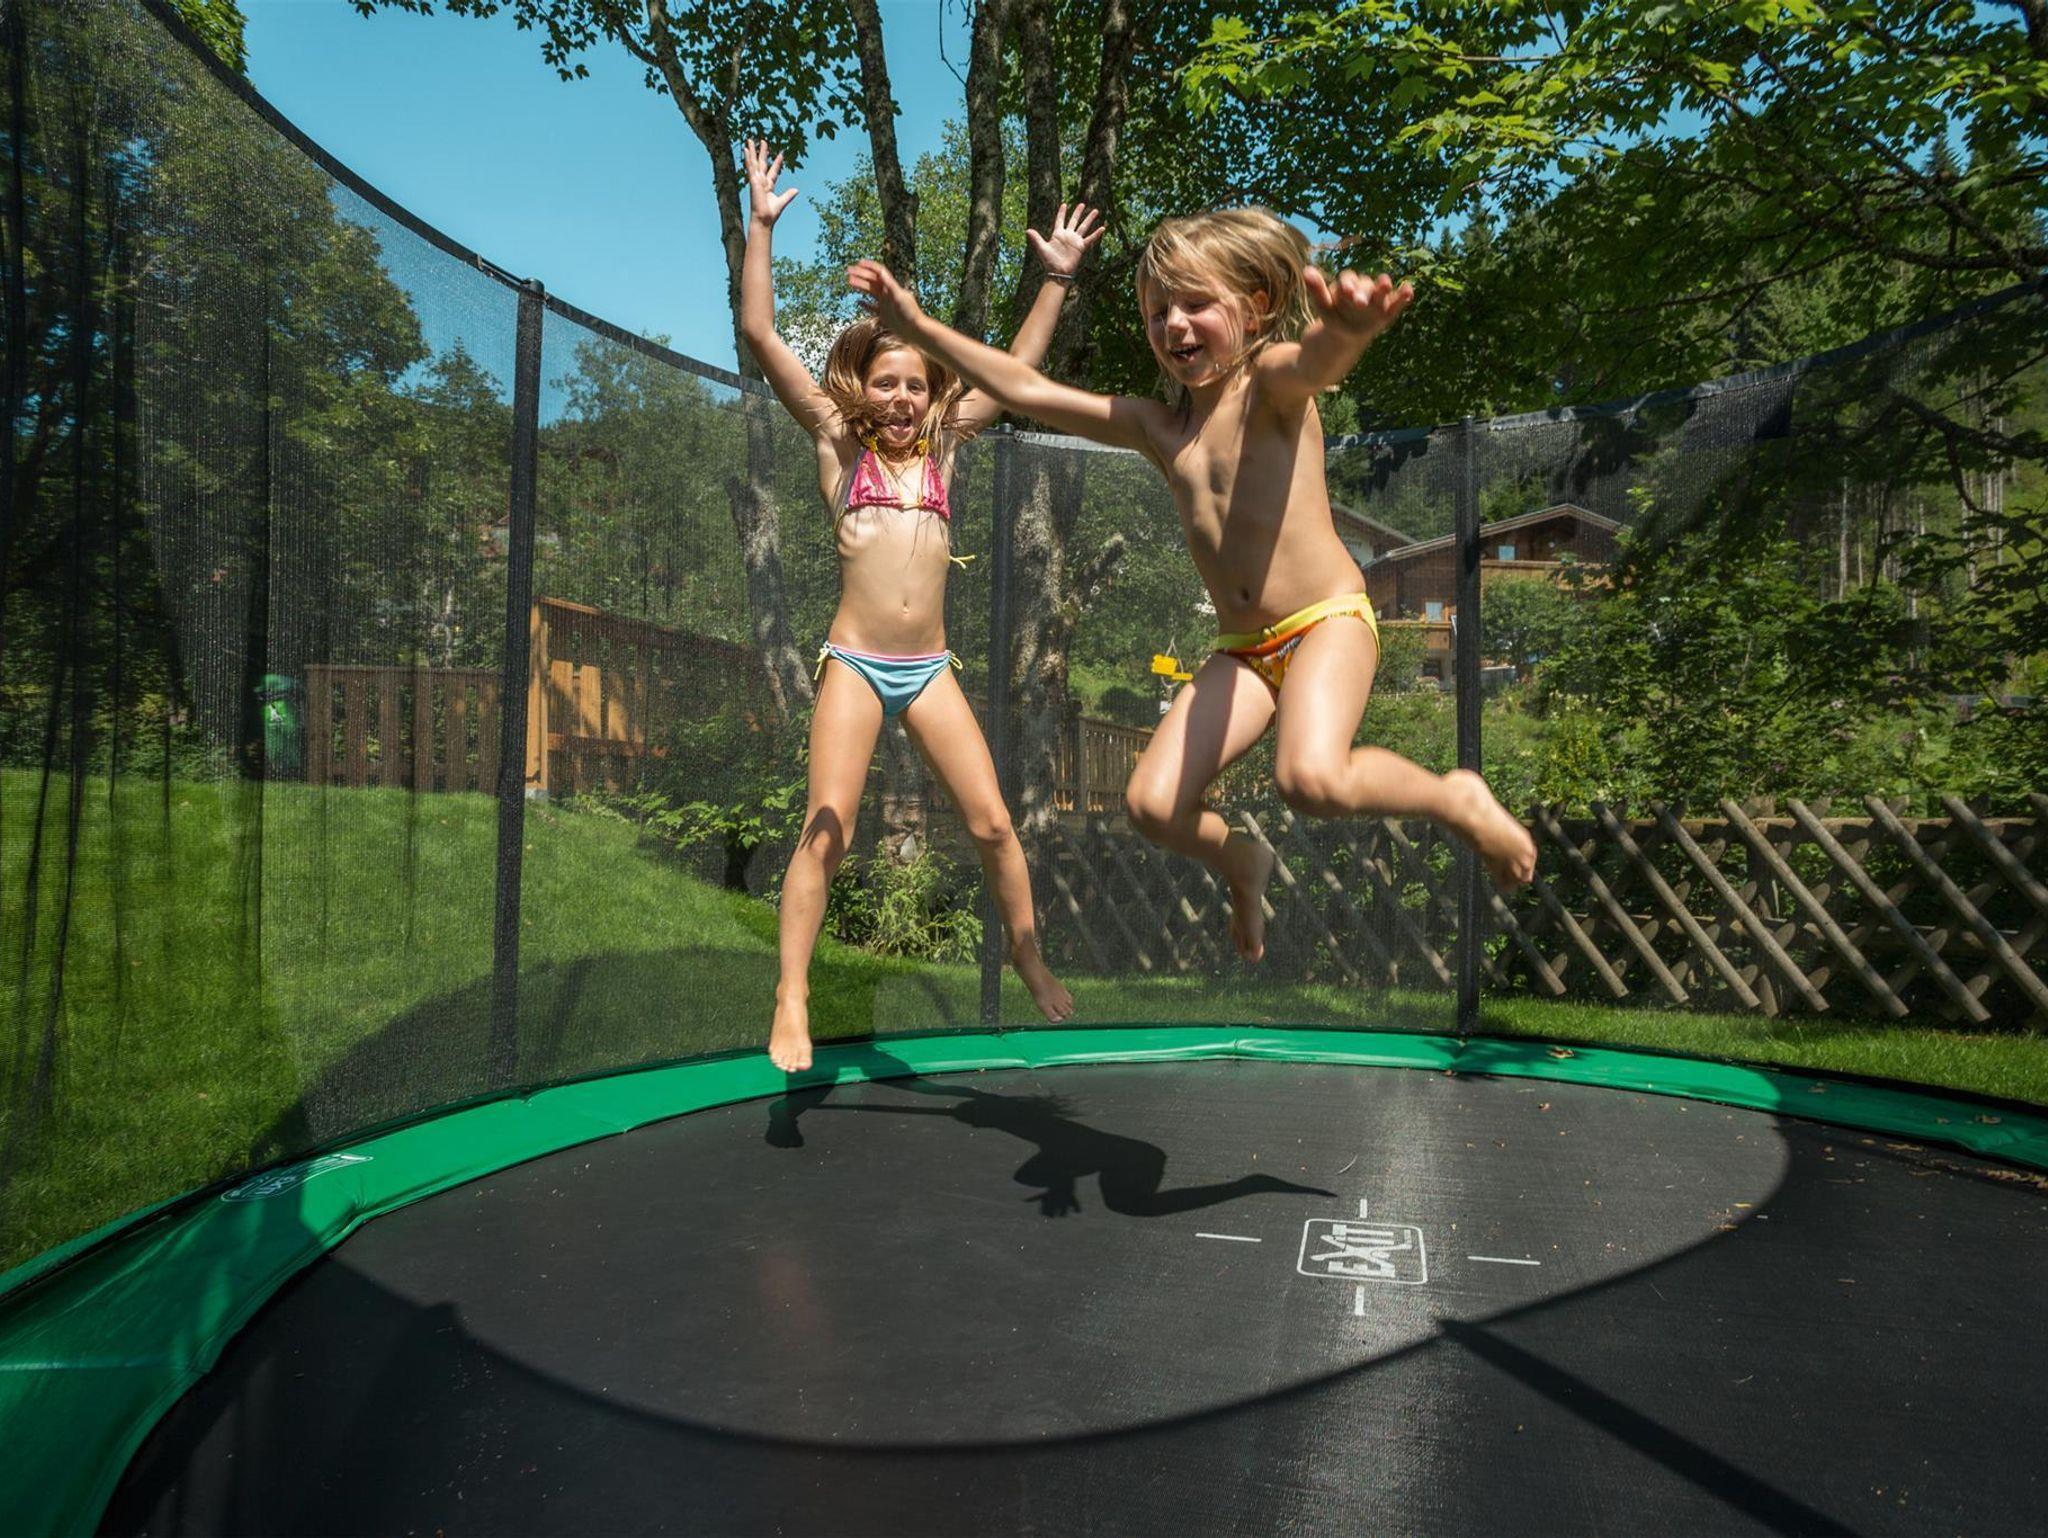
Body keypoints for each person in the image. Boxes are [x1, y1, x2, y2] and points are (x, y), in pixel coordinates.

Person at [847, 206, 1536, 964]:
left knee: (1310, 777)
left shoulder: (1271, 388)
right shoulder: (1159, 427)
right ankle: (1241, 858)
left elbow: (1315, 361)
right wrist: (915, 324)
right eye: (1157, 312)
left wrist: (1349, 331)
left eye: (1195, 304)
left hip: (1326, 621)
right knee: (1152, 804)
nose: (1174, 324)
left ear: (1256, 309)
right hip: (1243, 651)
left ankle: (1454, 797)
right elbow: (1024, 387)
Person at [742, 139, 1091, 1071]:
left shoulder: (944, 450)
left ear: (933, 394)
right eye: (885, 382)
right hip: (856, 666)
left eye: (915, 384)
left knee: (993, 826)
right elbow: (762, 337)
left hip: (930, 670)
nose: (900, 397)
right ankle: (792, 992)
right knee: (828, 826)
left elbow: (1017, 370)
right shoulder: (838, 445)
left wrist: (1055, 280)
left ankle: (1027, 954)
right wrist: (761, 228)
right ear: (861, 388)